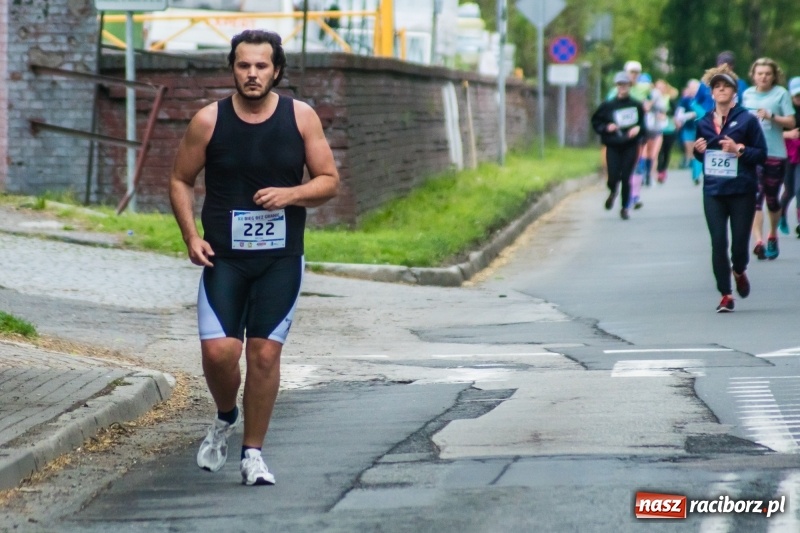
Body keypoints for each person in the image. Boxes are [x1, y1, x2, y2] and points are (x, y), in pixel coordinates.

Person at [169, 29, 340, 486]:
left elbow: (328, 180)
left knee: (264, 355)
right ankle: (226, 416)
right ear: (233, 69)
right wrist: (190, 236)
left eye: (261, 66)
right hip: (223, 257)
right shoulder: (209, 121)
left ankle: (253, 455)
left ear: (276, 70)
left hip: (280, 258)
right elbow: (180, 180)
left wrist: (293, 194)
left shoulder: (301, 118)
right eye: (244, 65)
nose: (252, 74)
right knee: (220, 352)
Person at [694, 65, 767, 312]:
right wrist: (698, 151)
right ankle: (725, 294)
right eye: (717, 87)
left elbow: (761, 155)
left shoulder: (747, 119)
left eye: (726, 86)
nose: (721, 90)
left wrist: (740, 149)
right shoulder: (703, 122)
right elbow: (701, 156)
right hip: (714, 191)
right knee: (718, 242)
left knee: (738, 245)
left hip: (741, 190)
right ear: (712, 93)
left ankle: (739, 269)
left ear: (734, 92)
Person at [741, 57, 796, 260]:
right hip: (751, 154)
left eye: (767, 74)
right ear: (753, 75)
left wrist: (772, 116)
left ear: (774, 76)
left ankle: (772, 234)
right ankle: (758, 241)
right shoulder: (746, 95)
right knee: (755, 198)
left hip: (774, 153)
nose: (763, 77)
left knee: (771, 199)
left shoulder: (780, 94)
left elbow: (791, 122)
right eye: (760, 73)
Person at [591, 71, 646, 220]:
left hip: (630, 145)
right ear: (616, 86)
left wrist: (638, 130)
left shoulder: (636, 105)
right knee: (613, 176)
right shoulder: (608, 105)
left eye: (625, 85)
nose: (622, 87)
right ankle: (613, 191)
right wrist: (606, 128)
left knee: (626, 176)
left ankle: (624, 207)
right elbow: (596, 122)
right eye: (620, 85)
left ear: (630, 86)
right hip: (613, 145)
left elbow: (643, 125)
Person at [779, 76, 800, 237]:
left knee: (799, 188)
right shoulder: (785, 111)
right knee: (789, 191)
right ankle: (781, 214)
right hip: (786, 154)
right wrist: (788, 134)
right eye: (797, 96)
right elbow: (773, 133)